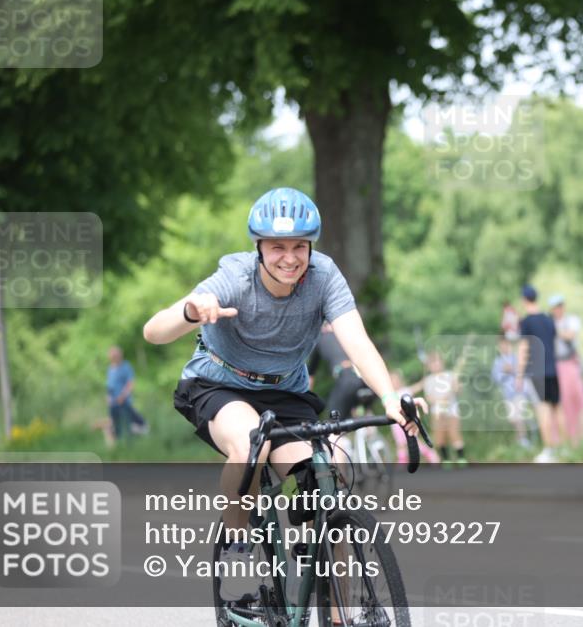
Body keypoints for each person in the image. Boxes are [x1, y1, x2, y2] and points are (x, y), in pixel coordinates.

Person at [142, 187, 426, 602]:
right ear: (258, 247)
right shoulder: (233, 279)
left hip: (284, 393)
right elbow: (153, 331)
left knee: (332, 470)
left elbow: (356, 342)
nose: (289, 258)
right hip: (219, 384)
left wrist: (388, 397)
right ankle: (239, 554)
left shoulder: (324, 276)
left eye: (299, 246)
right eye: (277, 247)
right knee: (250, 443)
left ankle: (336, 604)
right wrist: (190, 312)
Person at [517, 284, 564, 462]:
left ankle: (550, 450)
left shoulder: (526, 322)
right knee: (557, 409)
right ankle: (564, 448)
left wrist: (519, 375)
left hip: (537, 372)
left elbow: (523, 348)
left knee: (542, 410)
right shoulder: (548, 319)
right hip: (553, 369)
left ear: (524, 300)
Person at [548, 294, 583, 444]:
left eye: (559, 306)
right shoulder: (550, 323)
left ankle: (581, 437)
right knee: (561, 402)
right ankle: (561, 438)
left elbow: (570, 336)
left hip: (571, 363)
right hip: (556, 365)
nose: (557, 309)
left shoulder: (571, 320)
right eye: (555, 307)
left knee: (577, 399)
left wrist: (554, 329)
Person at [307, 320, 365, 419]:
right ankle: (361, 414)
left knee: (333, 419)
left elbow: (310, 376)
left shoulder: (321, 338)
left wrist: (306, 400)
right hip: (363, 378)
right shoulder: (345, 334)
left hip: (347, 379)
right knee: (353, 415)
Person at [491, 335, 538, 449]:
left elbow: (525, 373)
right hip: (508, 395)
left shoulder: (516, 358)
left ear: (509, 345)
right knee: (513, 419)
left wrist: (512, 370)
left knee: (519, 417)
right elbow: (495, 378)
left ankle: (524, 440)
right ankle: (529, 431)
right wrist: (503, 371)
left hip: (519, 392)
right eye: (501, 345)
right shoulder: (497, 362)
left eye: (506, 344)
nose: (504, 347)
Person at [423, 351, 466, 466]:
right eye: (432, 363)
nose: (435, 365)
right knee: (440, 436)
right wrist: (440, 401)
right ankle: (446, 459)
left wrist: (456, 386)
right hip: (437, 412)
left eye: (437, 361)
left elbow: (457, 389)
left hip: (452, 411)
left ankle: (461, 458)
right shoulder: (428, 380)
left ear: (442, 362)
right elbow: (429, 397)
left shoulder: (450, 375)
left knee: (454, 433)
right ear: (429, 367)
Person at [105, 346, 148, 439]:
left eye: (115, 355)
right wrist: (108, 397)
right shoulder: (110, 369)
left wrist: (123, 396)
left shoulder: (126, 367)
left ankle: (135, 439)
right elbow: (109, 385)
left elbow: (130, 383)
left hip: (124, 401)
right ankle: (118, 445)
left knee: (130, 422)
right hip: (113, 403)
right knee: (116, 425)